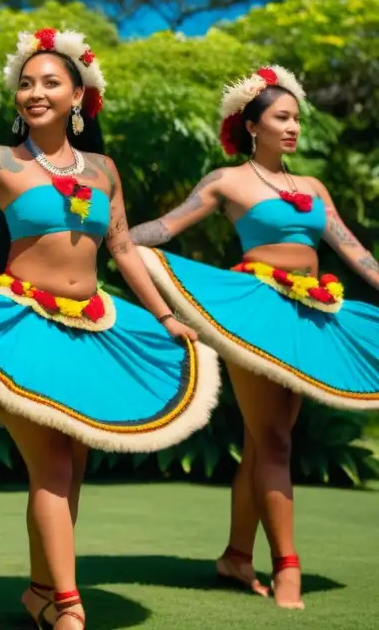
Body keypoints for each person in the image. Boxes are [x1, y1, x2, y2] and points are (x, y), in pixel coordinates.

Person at [0, 28, 220, 629]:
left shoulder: (105, 170)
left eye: (50, 82)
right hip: (20, 324)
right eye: (26, 84)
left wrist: (165, 315)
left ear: (79, 96)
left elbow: (122, 250)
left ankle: (40, 591)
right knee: (54, 466)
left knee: (70, 469)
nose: (34, 92)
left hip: (92, 328)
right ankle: (69, 608)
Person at [130, 65, 379, 609]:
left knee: (265, 440)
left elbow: (352, 249)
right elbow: (168, 228)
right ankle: (288, 567)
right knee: (275, 440)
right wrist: (116, 236)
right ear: (252, 125)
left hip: (312, 311)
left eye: (296, 118)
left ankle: (236, 556)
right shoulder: (227, 180)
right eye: (281, 118)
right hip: (255, 312)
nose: (293, 127)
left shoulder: (311, 187)